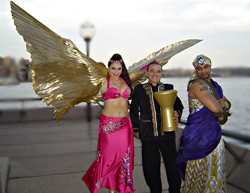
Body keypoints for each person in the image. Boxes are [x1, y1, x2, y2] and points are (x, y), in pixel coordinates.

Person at [176, 54, 230, 192]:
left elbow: (225, 102)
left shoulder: (213, 85)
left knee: (214, 174)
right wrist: (222, 108)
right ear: (196, 70)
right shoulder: (198, 85)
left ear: (210, 67)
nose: (203, 71)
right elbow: (217, 110)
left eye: (206, 67)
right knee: (197, 177)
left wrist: (223, 105)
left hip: (213, 135)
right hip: (198, 138)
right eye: (199, 68)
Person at [82, 54, 135, 193]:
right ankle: (111, 189)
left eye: (119, 68)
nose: (116, 71)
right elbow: (87, 64)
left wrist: (156, 60)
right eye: (113, 68)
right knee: (108, 158)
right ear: (108, 68)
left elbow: (143, 67)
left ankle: (120, 187)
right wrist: (72, 46)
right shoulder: (104, 81)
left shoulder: (125, 81)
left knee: (122, 158)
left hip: (124, 125)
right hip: (108, 126)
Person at [130, 61, 184, 193]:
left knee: (173, 168)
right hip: (148, 136)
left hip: (167, 135)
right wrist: (137, 129)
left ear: (161, 73)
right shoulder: (139, 90)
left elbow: (178, 106)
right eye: (152, 71)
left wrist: (177, 113)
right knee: (150, 170)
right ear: (147, 73)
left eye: (158, 71)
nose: (155, 74)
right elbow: (133, 111)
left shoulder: (168, 88)